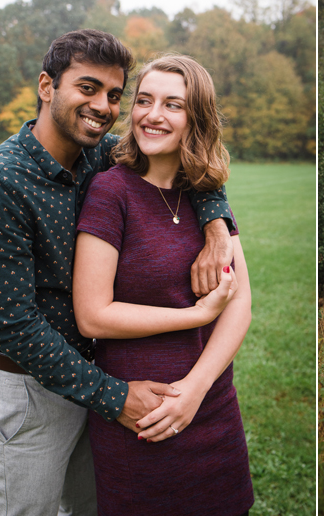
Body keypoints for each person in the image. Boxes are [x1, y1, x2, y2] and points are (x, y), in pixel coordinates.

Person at [0, 30, 235, 516]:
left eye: (113, 95)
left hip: (95, 374)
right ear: (48, 86)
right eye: (87, 88)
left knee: (90, 508)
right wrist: (114, 396)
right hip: (28, 390)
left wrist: (216, 225)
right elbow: (13, 325)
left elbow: (185, 163)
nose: (103, 106)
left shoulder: (100, 152)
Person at [72, 54, 254, 515]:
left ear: (197, 118)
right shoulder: (112, 191)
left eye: (173, 104)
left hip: (211, 407)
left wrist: (195, 389)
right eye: (144, 100)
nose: (152, 115)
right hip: (139, 414)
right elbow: (93, 313)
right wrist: (194, 315)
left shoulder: (207, 196)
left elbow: (240, 306)